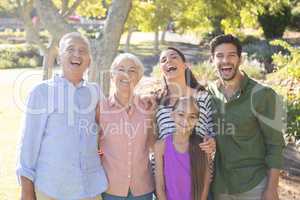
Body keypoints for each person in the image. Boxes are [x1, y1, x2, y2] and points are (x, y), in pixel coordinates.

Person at [17, 32, 107, 200]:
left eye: (83, 51)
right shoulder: (42, 92)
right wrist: (26, 190)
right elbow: (28, 144)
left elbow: (109, 128)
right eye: (70, 49)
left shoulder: (95, 92)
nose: (77, 55)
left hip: (90, 188)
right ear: (59, 58)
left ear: (89, 61)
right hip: (52, 188)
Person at [208, 34, 286, 200]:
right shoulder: (208, 94)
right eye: (219, 56)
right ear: (212, 60)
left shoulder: (262, 95)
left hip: (254, 185)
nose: (225, 61)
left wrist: (271, 188)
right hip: (221, 186)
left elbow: (275, 144)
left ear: (240, 59)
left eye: (231, 55)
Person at [97, 53, 155, 200]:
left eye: (132, 70)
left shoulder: (148, 107)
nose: (126, 75)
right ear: (112, 75)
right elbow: (92, 148)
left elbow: (153, 144)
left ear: (139, 77)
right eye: (120, 69)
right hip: (110, 189)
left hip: (143, 189)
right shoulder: (100, 108)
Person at [154, 47, 215, 154]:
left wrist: (212, 141)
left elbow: (213, 130)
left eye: (174, 57)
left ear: (185, 65)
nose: (168, 61)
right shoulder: (157, 102)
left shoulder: (203, 97)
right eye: (164, 60)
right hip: (167, 168)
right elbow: (154, 139)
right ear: (161, 70)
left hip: (197, 166)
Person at [154, 96, 210, 200]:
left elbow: (205, 183)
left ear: (197, 120)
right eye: (181, 114)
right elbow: (160, 186)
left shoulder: (203, 146)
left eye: (192, 117)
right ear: (172, 115)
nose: (186, 120)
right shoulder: (160, 146)